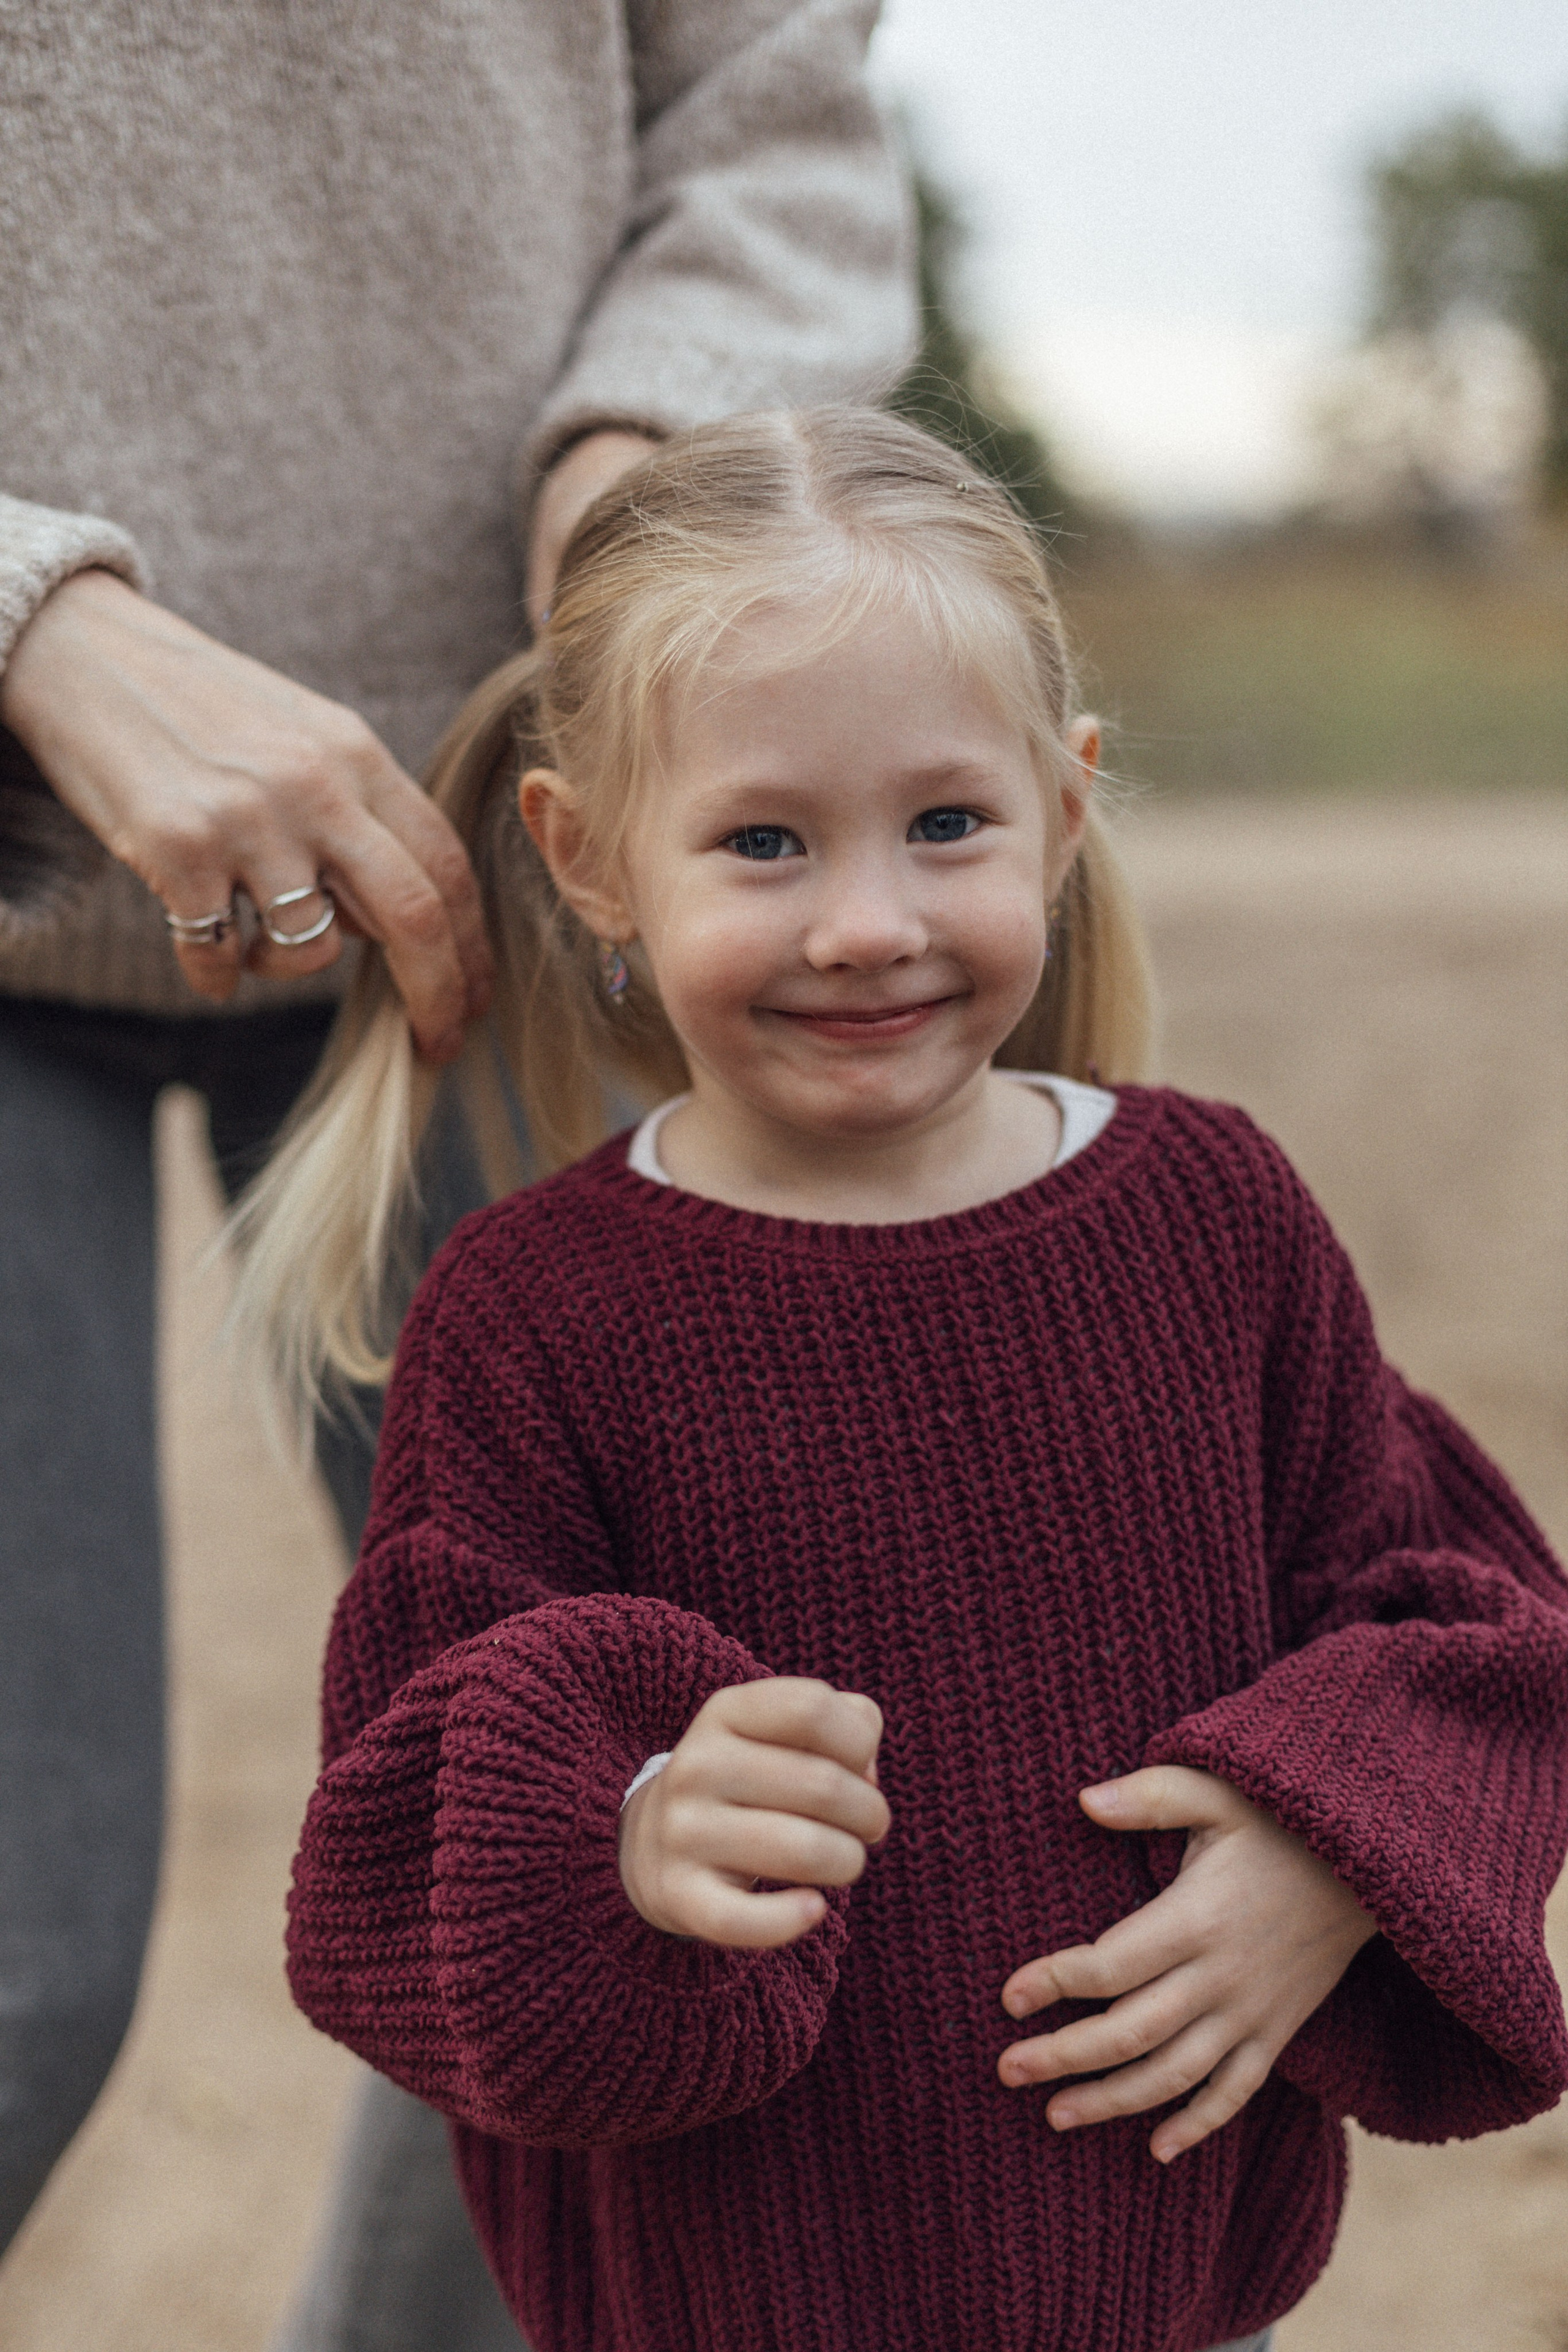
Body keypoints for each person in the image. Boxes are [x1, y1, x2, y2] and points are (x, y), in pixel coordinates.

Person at [244, 409, 1568, 2352]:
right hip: (726, 2301)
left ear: (1064, 802)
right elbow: (399, 1827)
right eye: (764, 841)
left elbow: (1465, 1619)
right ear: (589, 858)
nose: (867, 924)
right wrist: (621, 1833)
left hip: (1175, 2295)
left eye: (946, 824)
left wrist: (1332, 1849)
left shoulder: (1211, 1220)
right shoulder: (531, 1313)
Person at [0, 9, 913, 2342]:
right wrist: (30, 611)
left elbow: (760, 109)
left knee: (615, 1847)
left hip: (476, 917)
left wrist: (652, 492)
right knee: (19, 1956)